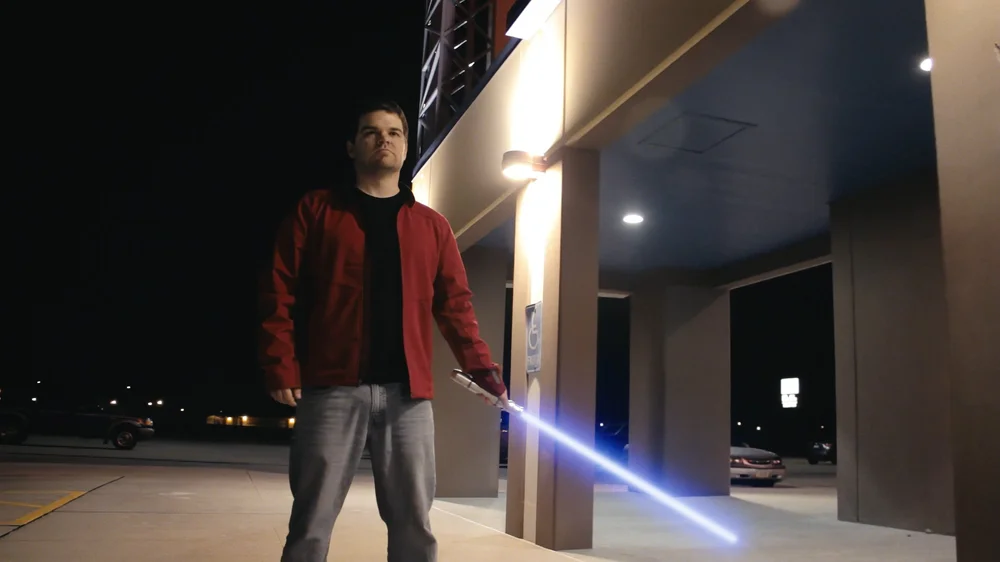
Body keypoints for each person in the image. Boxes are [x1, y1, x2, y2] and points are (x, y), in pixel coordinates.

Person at [258, 98, 509, 562]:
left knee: (414, 522)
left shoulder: (432, 226)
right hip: (331, 388)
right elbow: (279, 291)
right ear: (352, 146)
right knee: (311, 521)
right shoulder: (316, 211)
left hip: (408, 396)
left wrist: (482, 370)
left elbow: (455, 306)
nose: (384, 140)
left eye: (394, 133)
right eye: (371, 132)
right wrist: (281, 364)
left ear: (406, 147)